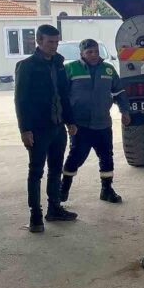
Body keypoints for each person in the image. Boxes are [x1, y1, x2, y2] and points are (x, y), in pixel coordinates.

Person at [14, 24, 78, 233]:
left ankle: (54, 208)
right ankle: (35, 216)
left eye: (56, 42)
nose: (54, 46)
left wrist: (70, 121)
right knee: (36, 172)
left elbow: (64, 95)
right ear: (38, 41)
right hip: (38, 129)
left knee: (55, 170)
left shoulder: (59, 64)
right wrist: (25, 130)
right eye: (50, 42)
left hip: (58, 127)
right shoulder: (27, 66)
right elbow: (21, 101)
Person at [59, 39, 131, 204]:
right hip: (80, 124)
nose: (93, 55)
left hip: (103, 123)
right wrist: (66, 120)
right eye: (89, 52)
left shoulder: (108, 69)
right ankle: (63, 189)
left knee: (107, 157)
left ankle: (107, 190)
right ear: (82, 53)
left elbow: (119, 92)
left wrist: (125, 111)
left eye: (96, 52)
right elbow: (61, 95)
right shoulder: (70, 68)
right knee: (76, 157)